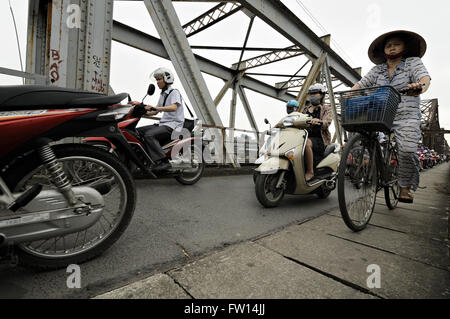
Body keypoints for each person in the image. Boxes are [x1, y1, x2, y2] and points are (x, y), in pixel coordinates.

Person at [352, 30, 431, 203]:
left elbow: (424, 78)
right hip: (381, 115)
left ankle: (404, 187)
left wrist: (419, 86)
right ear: (384, 50)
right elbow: (361, 84)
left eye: (396, 44)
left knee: (407, 150)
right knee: (366, 141)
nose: (392, 48)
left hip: (406, 115)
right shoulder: (377, 70)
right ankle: (375, 171)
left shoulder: (412, 63)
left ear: (405, 47)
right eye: (389, 45)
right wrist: (351, 93)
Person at [135, 68, 185, 171]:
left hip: (173, 125)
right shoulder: (163, 94)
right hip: (162, 124)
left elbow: (173, 107)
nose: (157, 82)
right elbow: (154, 112)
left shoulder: (173, 92)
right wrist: (141, 112)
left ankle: (163, 161)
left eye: (159, 79)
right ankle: (144, 158)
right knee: (136, 132)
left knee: (149, 135)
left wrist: (156, 108)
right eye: (156, 80)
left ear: (167, 79)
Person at [302, 83, 333, 182]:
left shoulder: (326, 109)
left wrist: (319, 121)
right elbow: (298, 119)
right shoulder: (305, 110)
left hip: (319, 139)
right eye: (311, 93)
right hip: (303, 137)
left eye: (315, 93)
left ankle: (310, 172)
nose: (312, 95)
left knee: (307, 143)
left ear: (322, 95)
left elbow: (327, 122)